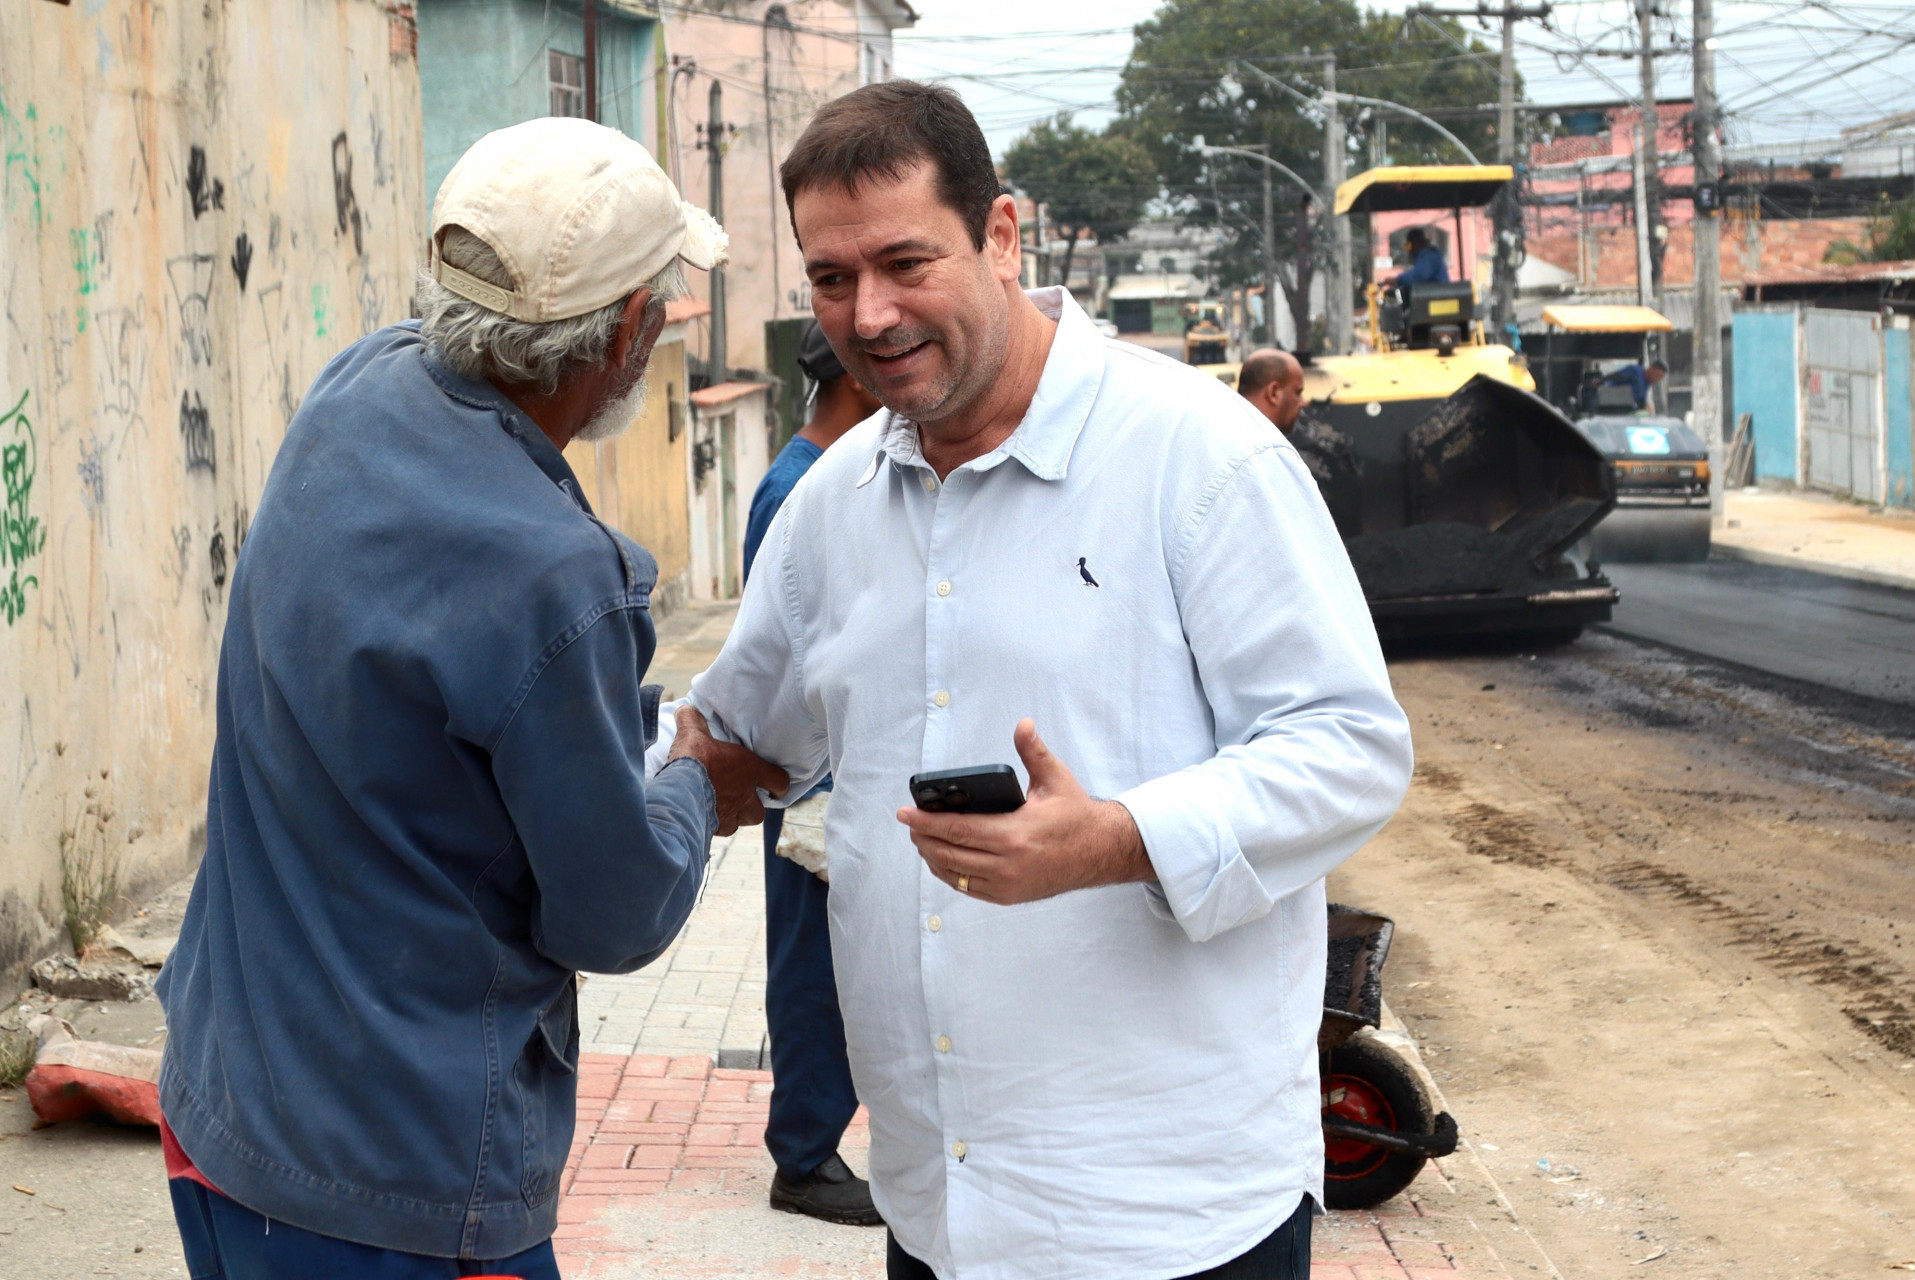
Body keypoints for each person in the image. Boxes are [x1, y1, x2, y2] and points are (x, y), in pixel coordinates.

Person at [652, 82, 1413, 1279]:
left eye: (907, 260)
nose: (872, 311)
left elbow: (1349, 747)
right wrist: (581, 773)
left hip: (1169, 1212)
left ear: (1003, 234)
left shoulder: (1199, 458)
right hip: (939, 1208)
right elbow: (743, 734)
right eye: (832, 278)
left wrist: (1114, 837)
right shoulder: (829, 511)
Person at [155, 118, 788, 1279]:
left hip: (224, 1103)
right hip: (397, 1171)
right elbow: (613, 912)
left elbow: (436, 701)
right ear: (632, 335)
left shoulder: (357, 385)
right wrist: (699, 781)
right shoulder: (556, 577)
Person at [747, 322, 885, 1226]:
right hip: (808, 775)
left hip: (840, 767)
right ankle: (801, 1157)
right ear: (852, 379)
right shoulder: (798, 487)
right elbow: (777, 651)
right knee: (809, 964)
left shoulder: (833, 473)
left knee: (840, 962)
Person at [1238, 347, 1306, 434]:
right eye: (1297, 392)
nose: (1304, 403)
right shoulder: (1267, 444)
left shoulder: (1224, 434)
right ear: (1273, 393)